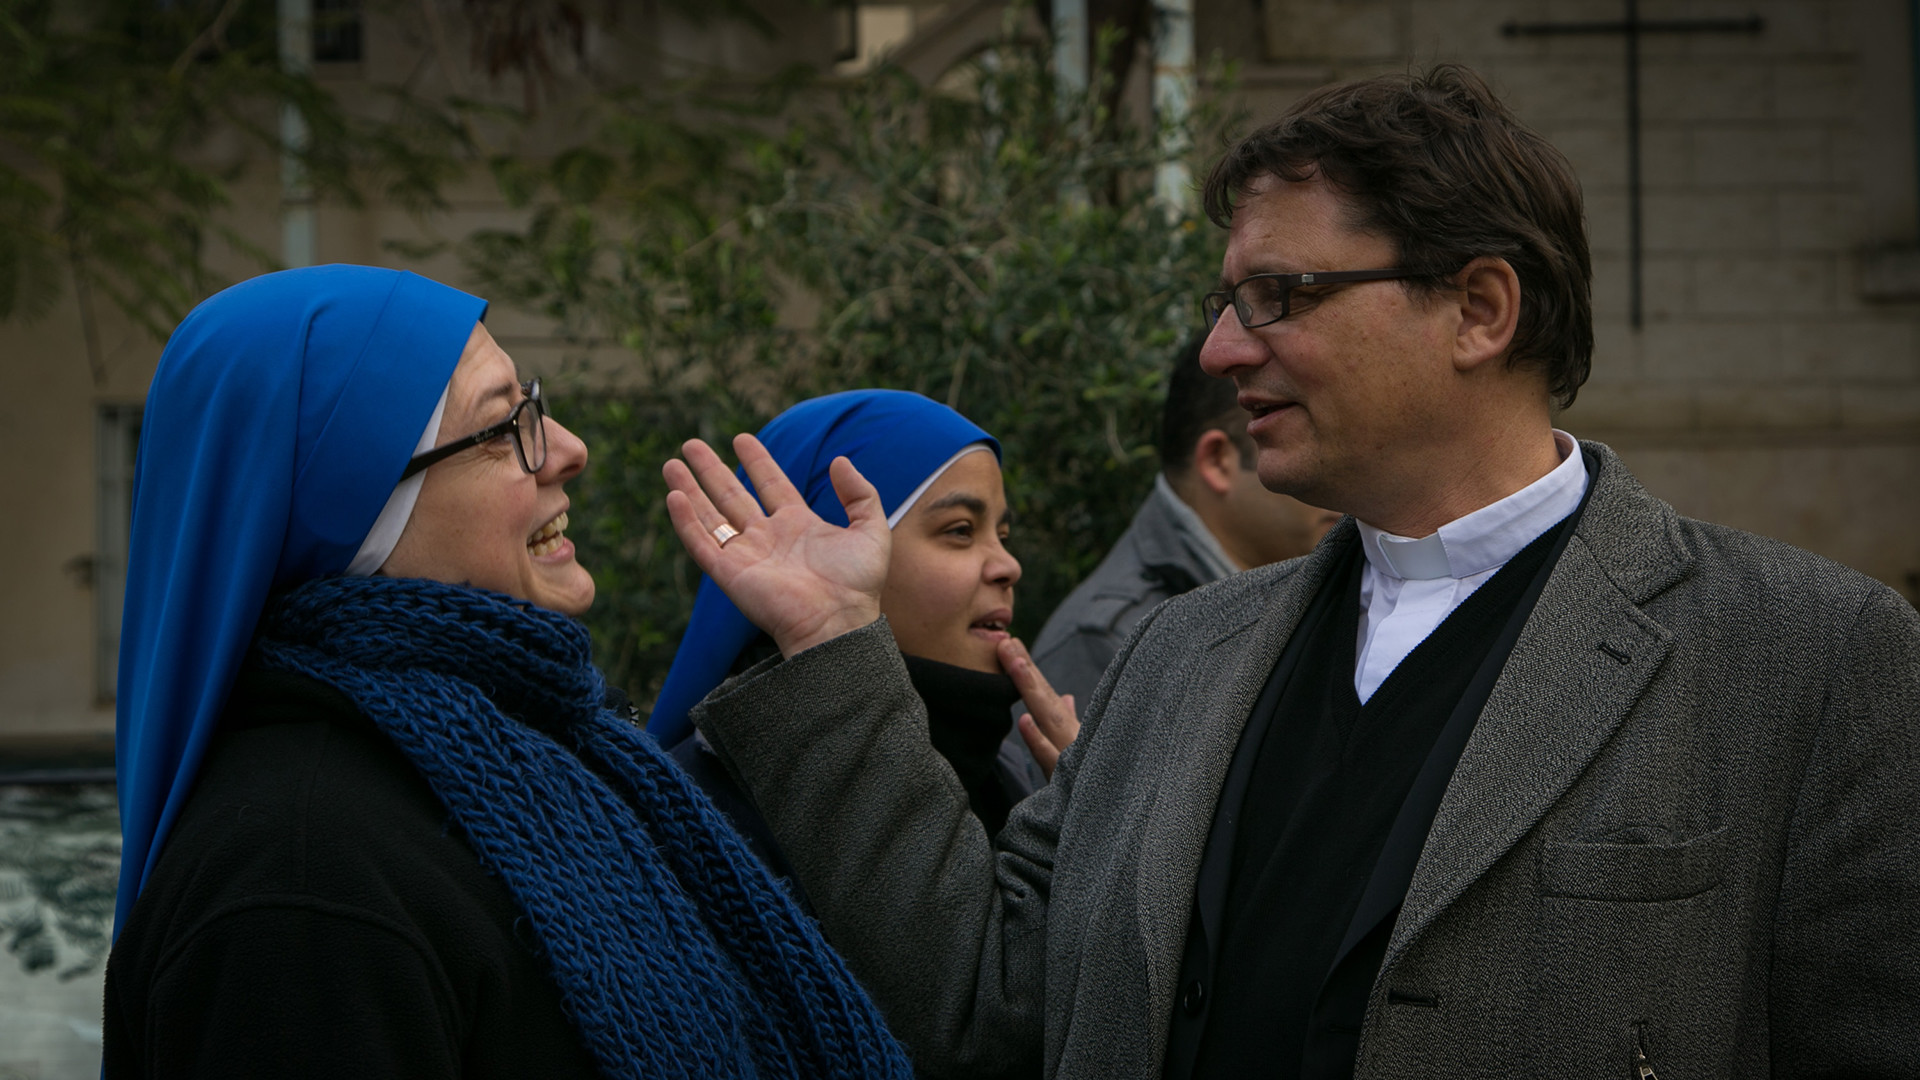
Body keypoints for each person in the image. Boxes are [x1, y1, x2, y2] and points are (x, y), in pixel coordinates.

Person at [657, 65, 1920, 1080]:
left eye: (1280, 296)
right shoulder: (1174, 655)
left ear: (1481, 310)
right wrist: (833, 644)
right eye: (1226, 301)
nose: (1222, 347)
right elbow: (985, 1006)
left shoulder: (1807, 657)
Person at [102, 265, 911, 1079]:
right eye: (501, 429)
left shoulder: (558, 761)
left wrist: (834, 638)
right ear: (351, 510)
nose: (567, 449)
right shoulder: (299, 892)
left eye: (534, 402)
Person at [647, 390, 1047, 864]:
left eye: (1002, 536)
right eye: (960, 530)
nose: (1008, 566)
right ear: (823, 556)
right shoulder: (700, 833)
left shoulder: (1018, 778)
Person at [1030, 335, 1340, 708]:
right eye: (1304, 441)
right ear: (1218, 461)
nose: (1339, 479)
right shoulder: (1108, 644)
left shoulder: (1313, 594)